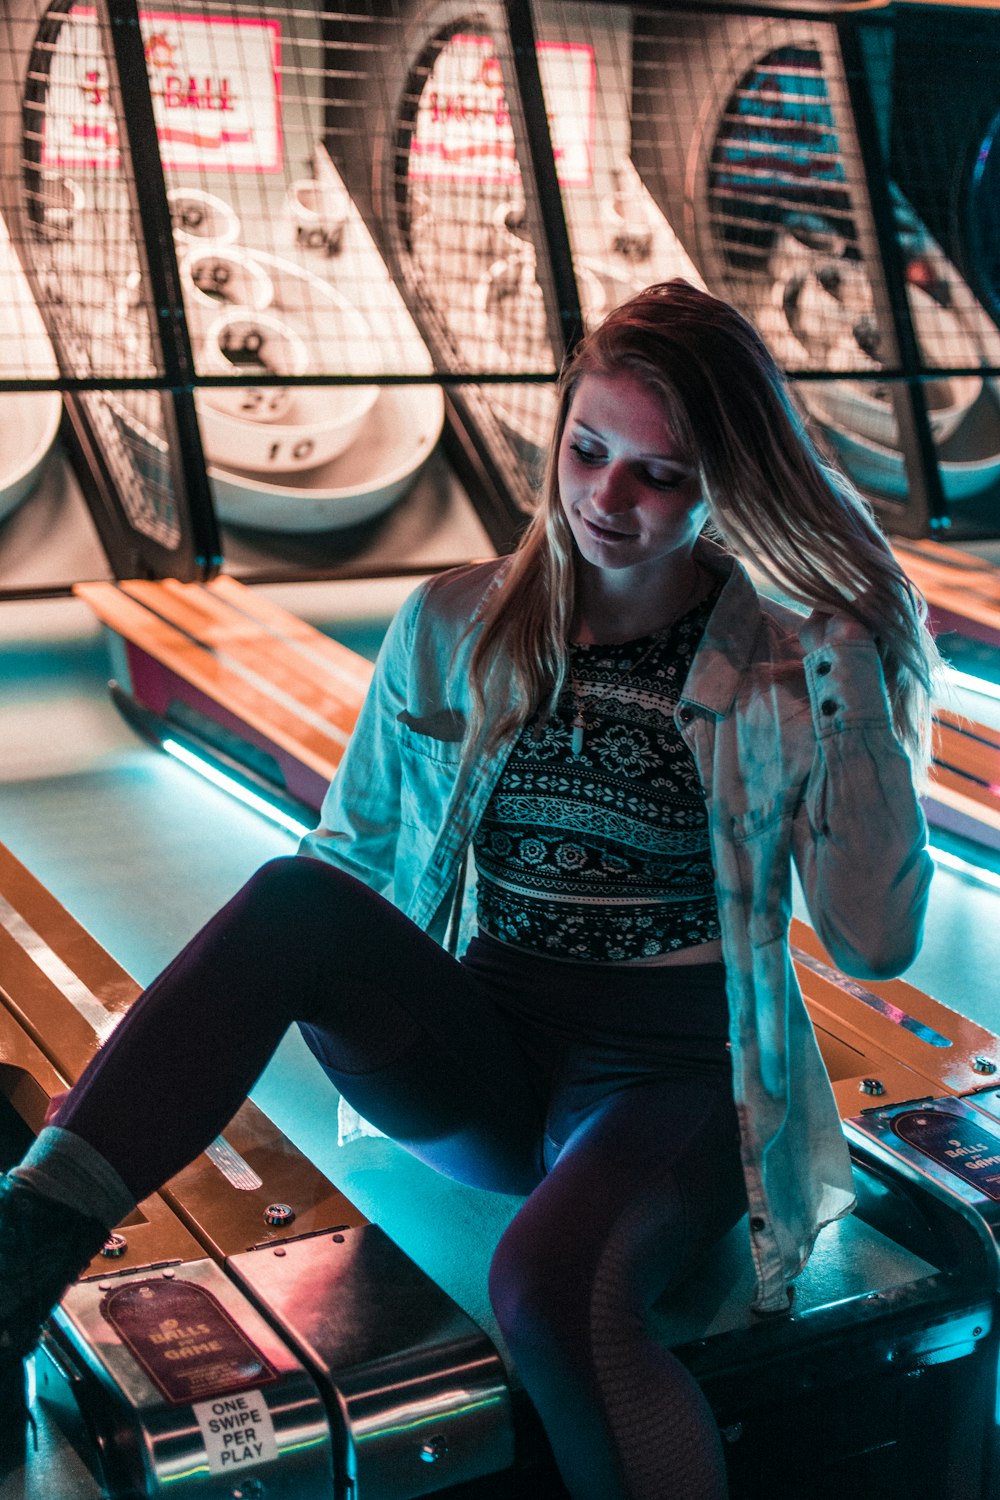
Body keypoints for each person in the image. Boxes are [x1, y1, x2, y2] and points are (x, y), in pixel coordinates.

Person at [0, 280, 938, 1498]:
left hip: (674, 1079)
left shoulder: (782, 657)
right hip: (487, 1056)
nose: (607, 499)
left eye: (658, 475)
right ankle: (21, 1253)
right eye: (588, 451)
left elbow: (872, 943)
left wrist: (856, 680)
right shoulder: (455, 620)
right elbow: (350, 864)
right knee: (291, 896)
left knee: (550, 1297)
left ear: (724, 484)